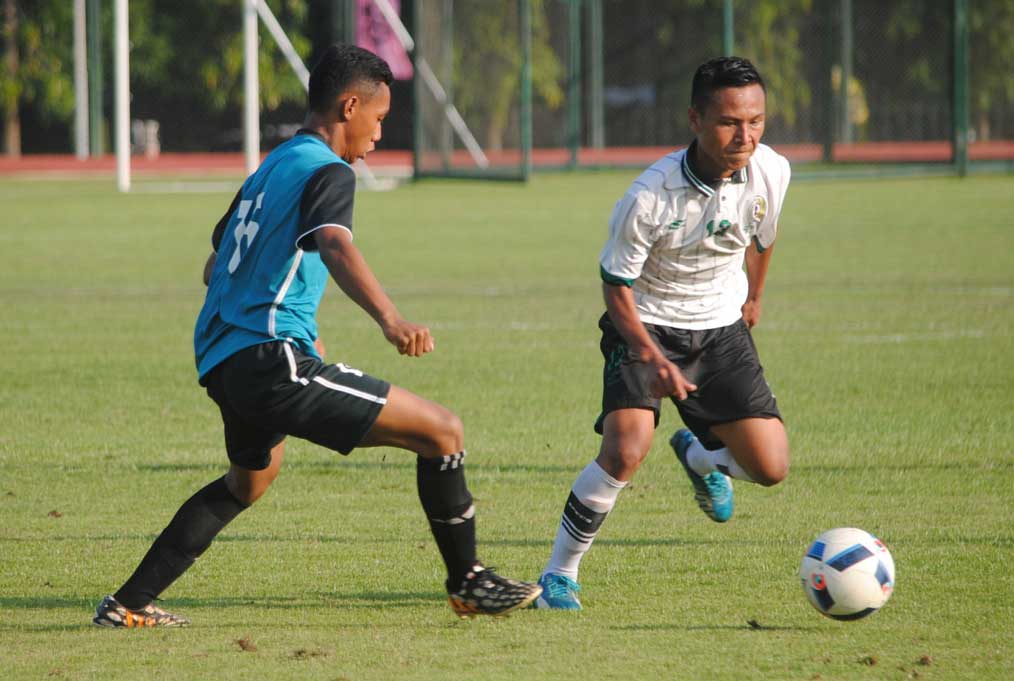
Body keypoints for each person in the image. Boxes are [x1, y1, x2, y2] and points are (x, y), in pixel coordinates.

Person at [92, 44, 540, 628]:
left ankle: (126, 606)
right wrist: (390, 320)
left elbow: (216, 264)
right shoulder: (329, 169)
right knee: (443, 432)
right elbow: (333, 243)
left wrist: (297, 326)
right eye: (377, 119)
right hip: (268, 358)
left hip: (223, 359)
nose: (378, 135)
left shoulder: (272, 167)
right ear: (348, 105)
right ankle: (469, 583)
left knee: (248, 481)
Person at [534, 57, 791, 610]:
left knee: (771, 468)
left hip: (719, 330)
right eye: (729, 122)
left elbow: (762, 238)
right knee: (626, 449)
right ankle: (559, 575)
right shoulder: (650, 195)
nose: (744, 135)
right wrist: (649, 354)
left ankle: (701, 458)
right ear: (696, 119)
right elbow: (615, 286)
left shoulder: (773, 170)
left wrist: (754, 297)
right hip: (645, 322)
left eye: (756, 120)